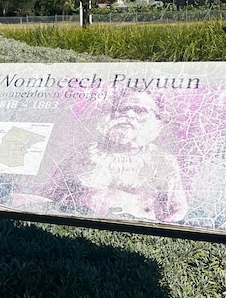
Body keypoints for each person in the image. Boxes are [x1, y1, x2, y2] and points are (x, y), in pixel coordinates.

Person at [23, 89, 188, 223]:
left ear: (156, 121)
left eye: (140, 111)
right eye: (123, 109)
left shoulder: (163, 161)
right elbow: (51, 194)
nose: (129, 115)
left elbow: (177, 211)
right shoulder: (84, 153)